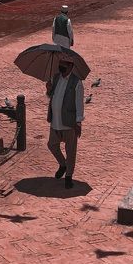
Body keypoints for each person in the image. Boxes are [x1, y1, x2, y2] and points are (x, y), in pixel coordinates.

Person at [46, 59, 84, 188]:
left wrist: (78, 122)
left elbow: (79, 103)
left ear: (71, 66)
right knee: (52, 145)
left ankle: (68, 176)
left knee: (71, 151)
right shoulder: (55, 78)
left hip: (69, 122)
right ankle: (63, 164)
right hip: (55, 120)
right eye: (60, 64)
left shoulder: (76, 82)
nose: (60, 67)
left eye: (64, 65)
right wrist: (48, 89)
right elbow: (51, 96)